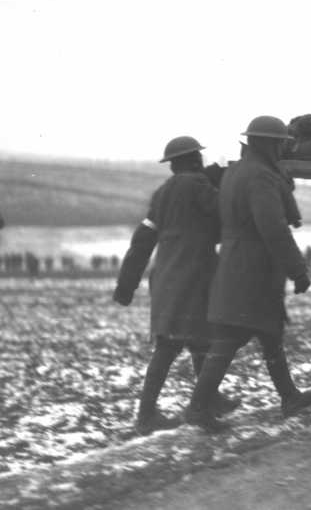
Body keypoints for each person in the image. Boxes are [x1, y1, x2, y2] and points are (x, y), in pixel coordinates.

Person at [184, 116, 311, 432]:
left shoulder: (237, 171)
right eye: (281, 142)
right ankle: (197, 408)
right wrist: (298, 270)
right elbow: (272, 228)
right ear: (270, 143)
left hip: (237, 263)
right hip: (253, 269)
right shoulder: (261, 177)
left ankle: (289, 397)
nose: (285, 147)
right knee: (231, 338)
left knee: (270, 335)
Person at [113, 136, 239, 435]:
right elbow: (224, 222)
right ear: (196, 160)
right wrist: (220, 184)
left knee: (189, 341)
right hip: (195, 277)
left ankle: (205, 401)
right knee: (181, 344)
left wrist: (126, 285)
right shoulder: (199, 187)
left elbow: (142, 240)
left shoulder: (161, 194)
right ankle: (167, 414)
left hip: (166, 278)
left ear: (171, 165)